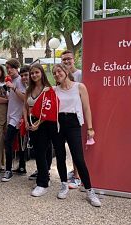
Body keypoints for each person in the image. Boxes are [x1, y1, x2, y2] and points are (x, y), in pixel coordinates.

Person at [52, 63, 101, 207]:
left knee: (79, 158)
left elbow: (87, 108)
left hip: (73, 123)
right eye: (54, 73)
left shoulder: (79, 86)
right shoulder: (54, 90)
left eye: (59, 71)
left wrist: (90, 128)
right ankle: (64, 185)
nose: (57, 74)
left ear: (66, 71)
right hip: (58, 124)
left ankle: (89, 191)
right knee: (60, 156)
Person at [23, 64, 56, 197]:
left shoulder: (48, 90)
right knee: (38, 150)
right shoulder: (28, 89)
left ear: (42, 73)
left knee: (41, 151)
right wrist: (25, 121)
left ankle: (42, 183)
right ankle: (44, 176)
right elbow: (25, 106)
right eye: (32, 73)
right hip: (31, 122)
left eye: (37, 72)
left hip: (44, 123)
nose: (34, 75)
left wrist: (38, 123)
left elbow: (50, 109)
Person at [60, 49, 82, 189]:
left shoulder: (80, 74)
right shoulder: (61, 76)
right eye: (64, 60)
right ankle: (75, 172)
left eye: (69, 59)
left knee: (76, 147)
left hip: (77, 116)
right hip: (65, 118)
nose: (67, 61)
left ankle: (77, 176)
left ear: (74, 59)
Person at [1, 58, 26, 182]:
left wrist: (13, 88)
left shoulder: (20, 80)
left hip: (18, 117)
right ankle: (22, 166)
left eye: (10, 68)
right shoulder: (11, 81)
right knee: (19, 143)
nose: (9, 70)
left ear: (16, 68)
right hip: (12, 115)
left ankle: (8, 170)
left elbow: (25, 98)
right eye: (7, 68)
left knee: (8, 142)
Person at [13, 65, 30, 175]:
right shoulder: (26, 86)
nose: (24, 77)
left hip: (35, 119)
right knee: (22, 142)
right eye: (22, 75)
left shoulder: (33, 87)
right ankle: (22, 165)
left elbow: (25, 100)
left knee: (29, 143)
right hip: (25, 118)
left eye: (26, 75)